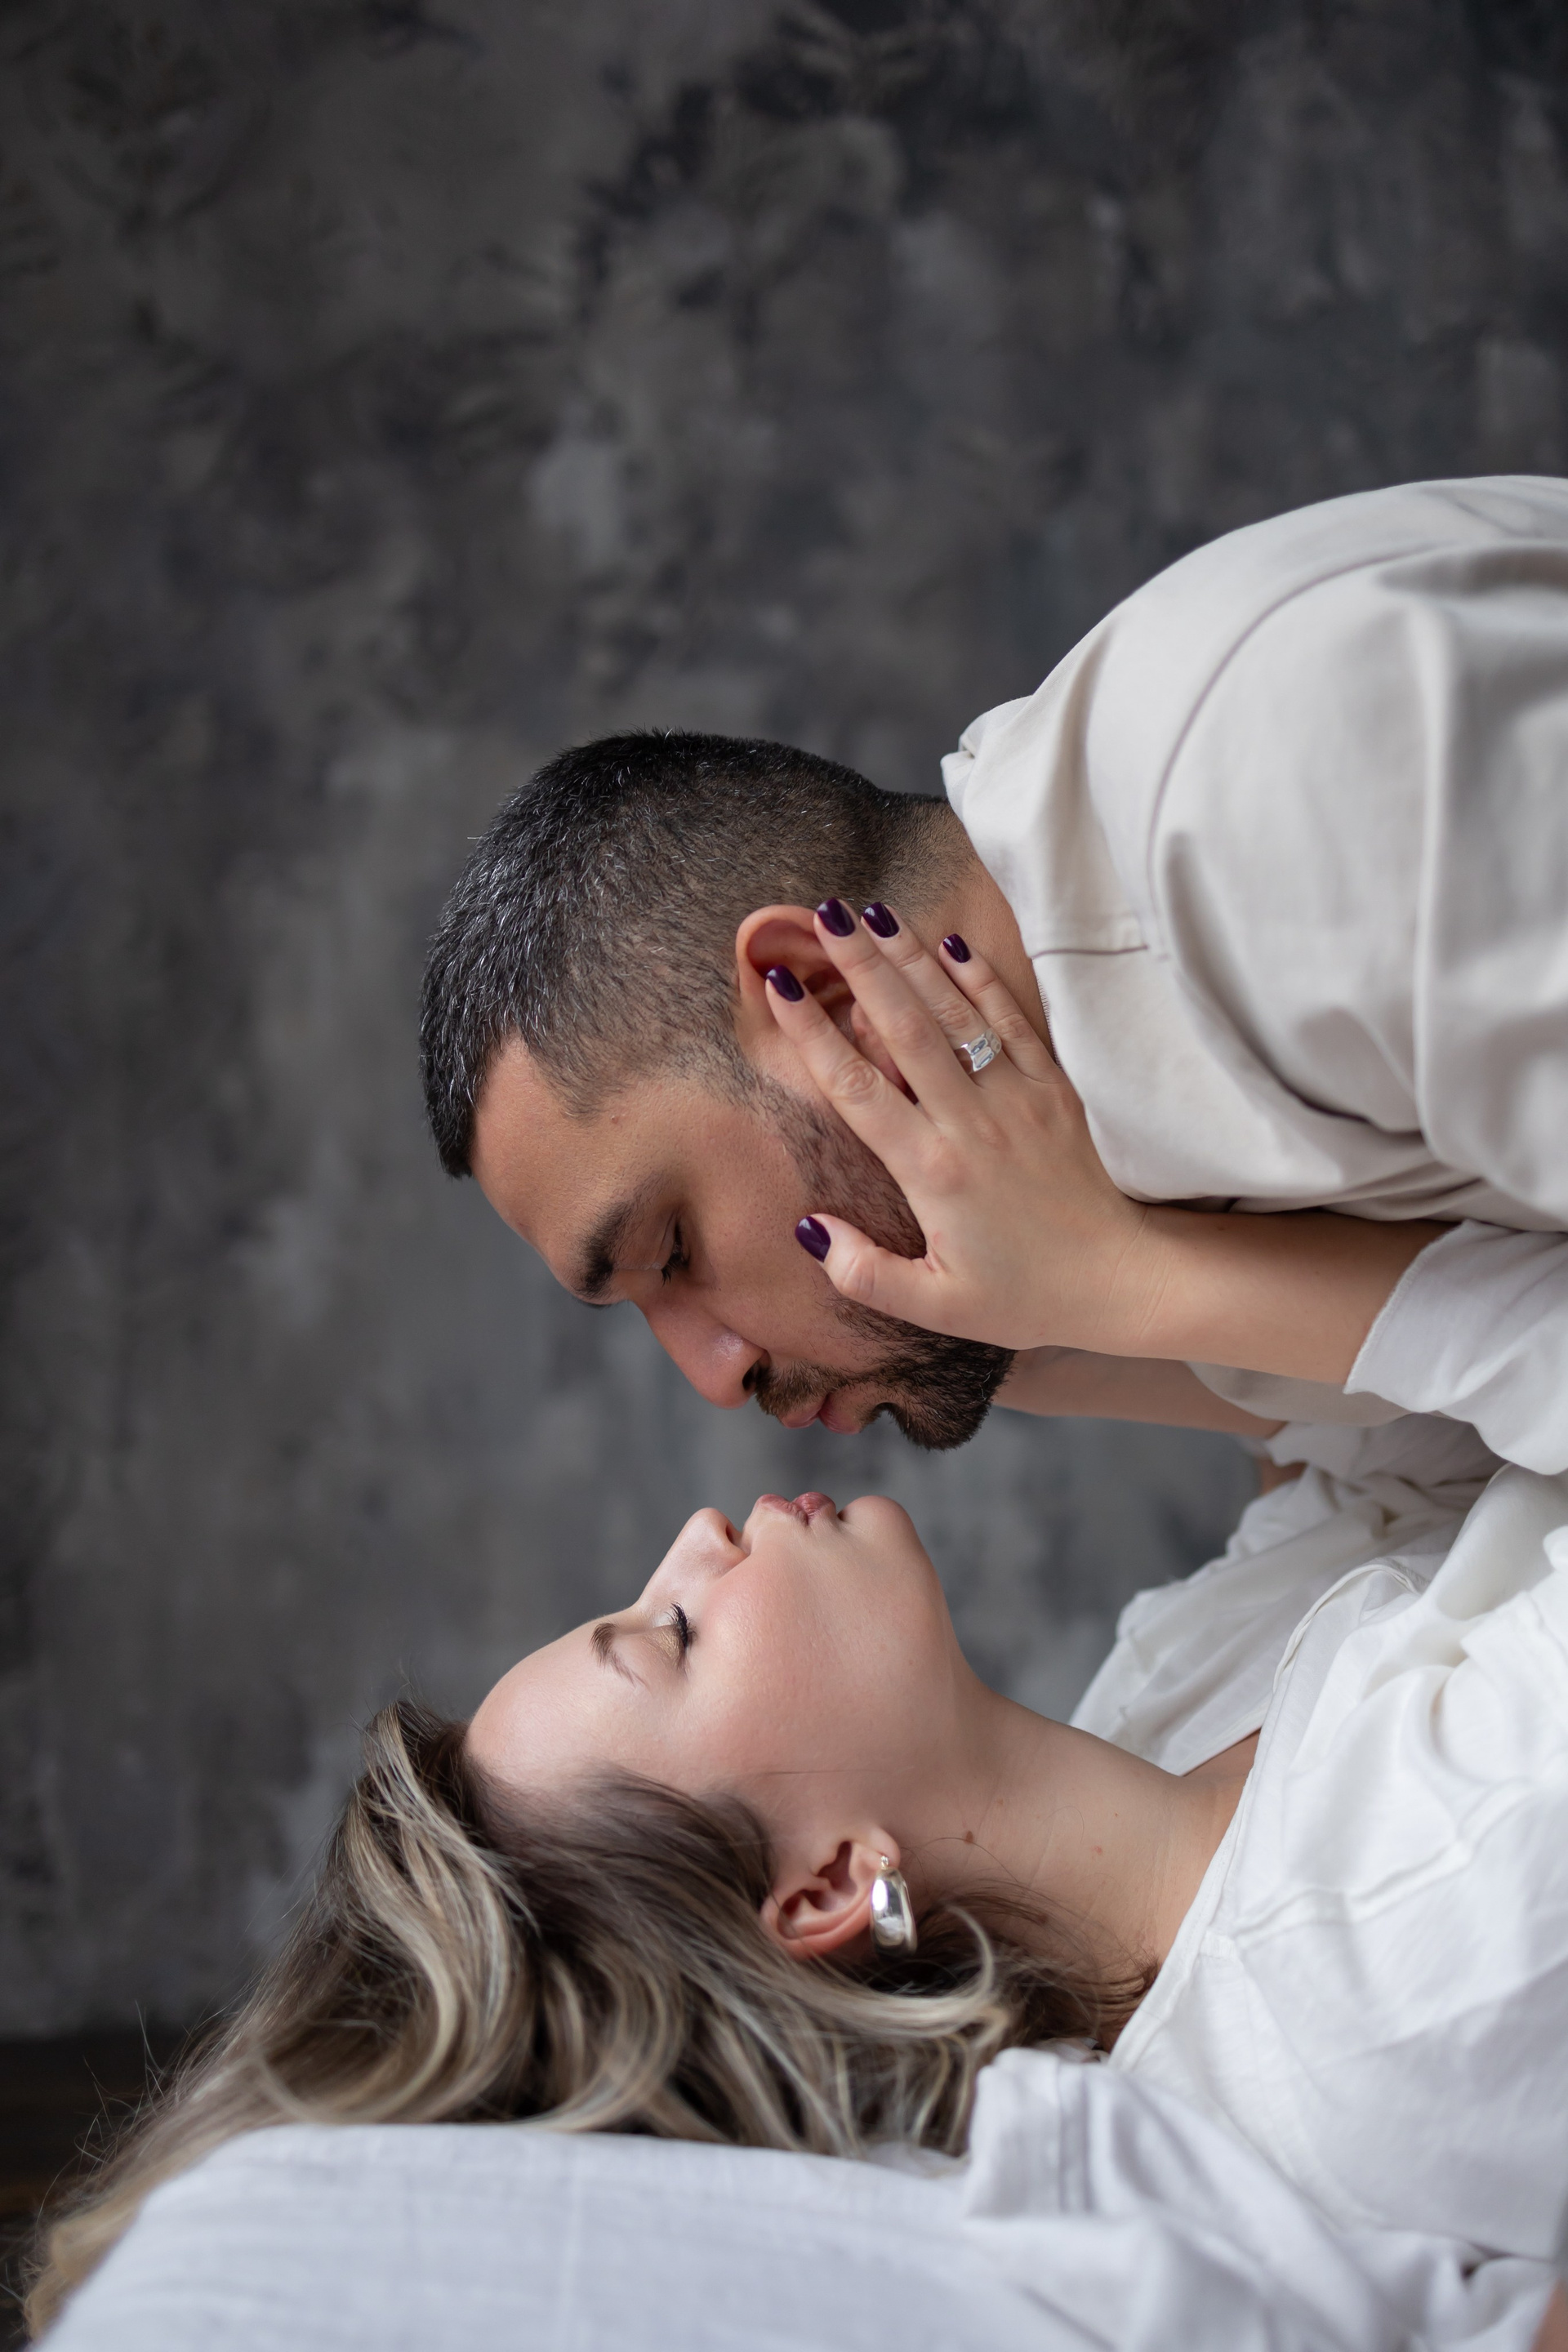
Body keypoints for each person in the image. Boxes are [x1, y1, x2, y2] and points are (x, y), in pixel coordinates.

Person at [30, 1431, 1568, 2332]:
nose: (695, 1538)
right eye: (674, 1635)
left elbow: (1384, 1449)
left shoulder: (1155, 1697)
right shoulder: (1413, 1951)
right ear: (829, 1885)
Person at [420, 476, 1568, 1470]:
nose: (716, 1378)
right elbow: (1441, 1456)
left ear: (819, 993)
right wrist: (1097, 1303)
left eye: (674, 1253)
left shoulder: (1269, 798)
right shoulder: (1047, 1228)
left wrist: (1135, 1280)